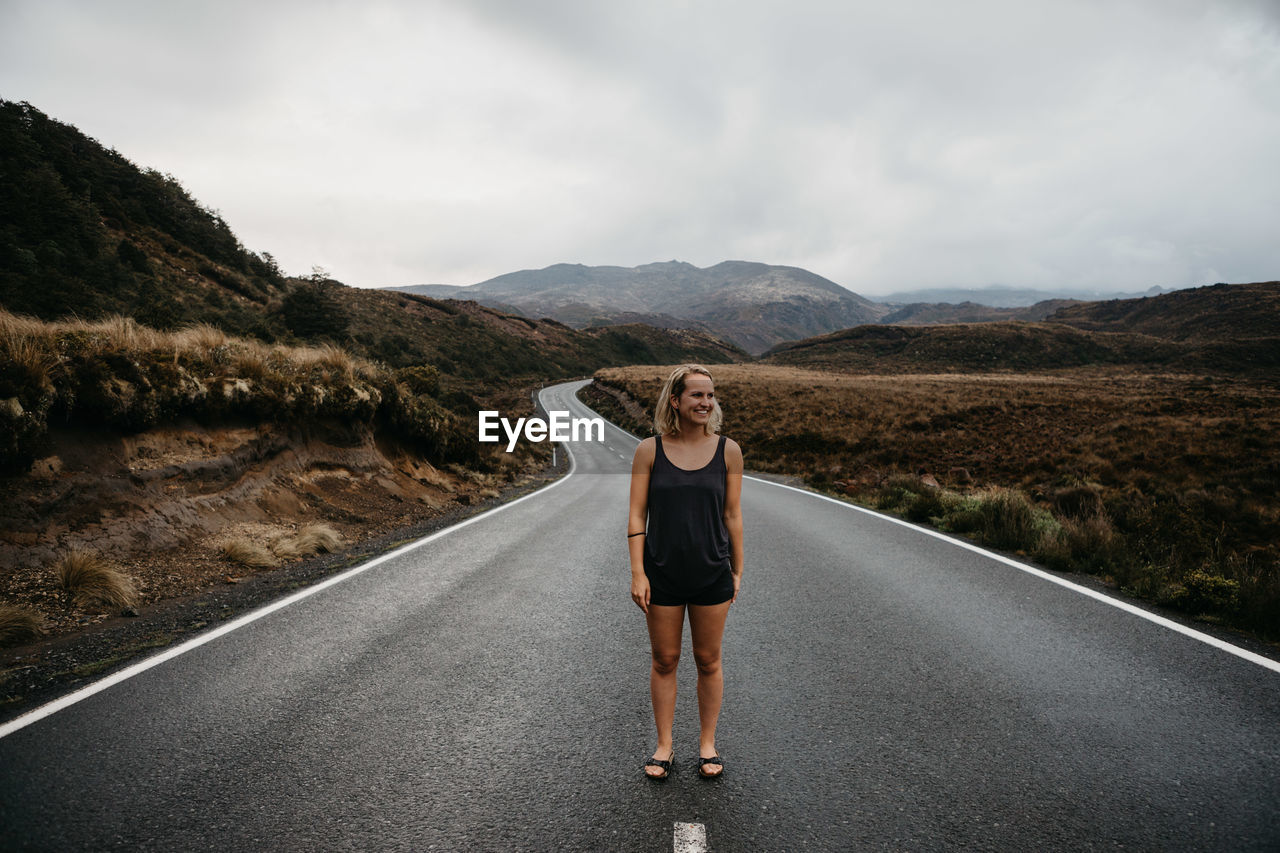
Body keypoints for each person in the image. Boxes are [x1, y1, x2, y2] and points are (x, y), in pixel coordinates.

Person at [627, 364, 744, 780]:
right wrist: (638, 572)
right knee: (665, 659)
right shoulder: (649, 450)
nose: (706, 402)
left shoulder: (728, 450)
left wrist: (737, 570)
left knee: (708, 660)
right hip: (662, 572)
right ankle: (665, 746)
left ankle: (707, 745)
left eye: (710, 395)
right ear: (674, 400)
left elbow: (732, 515)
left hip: (712, 570)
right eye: (697, 395)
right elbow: (637, 514)